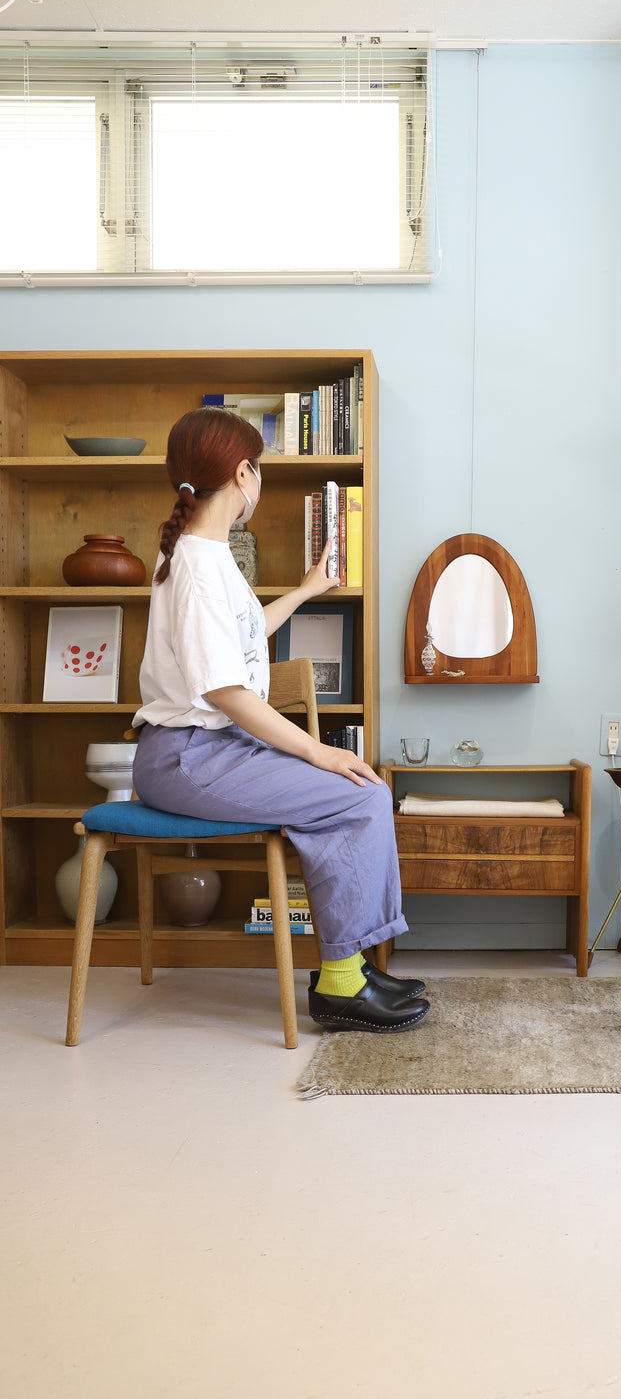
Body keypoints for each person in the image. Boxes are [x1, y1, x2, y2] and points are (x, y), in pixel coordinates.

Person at [131, 406, 429, 1033]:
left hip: (201, 752)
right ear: (242, 474)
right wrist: (319, 753)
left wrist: (305, 589)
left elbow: (242, 639)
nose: (259, 481)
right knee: (358, 795)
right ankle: (342, 982)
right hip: (188, 757)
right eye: (258, 469)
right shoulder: (197, 566)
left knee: (362, 790)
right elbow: (228, 691)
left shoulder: (206, 557)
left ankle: (350, 965)